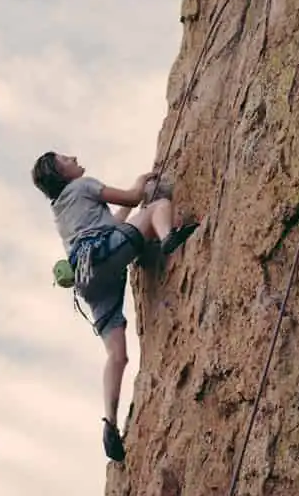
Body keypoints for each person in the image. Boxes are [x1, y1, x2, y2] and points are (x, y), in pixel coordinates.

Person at [31, 151, 198, 462]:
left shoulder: (61, 209)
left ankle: (110, 421)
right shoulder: (83, 186)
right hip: (103, 257)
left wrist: (132, 210)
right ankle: (168, 238)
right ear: (61, 173)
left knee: (116, 355)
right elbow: (133, 198)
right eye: (65, 159)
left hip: (87, 279)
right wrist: (141, 182)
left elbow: (113, 225)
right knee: (159, 206)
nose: (73, 157)